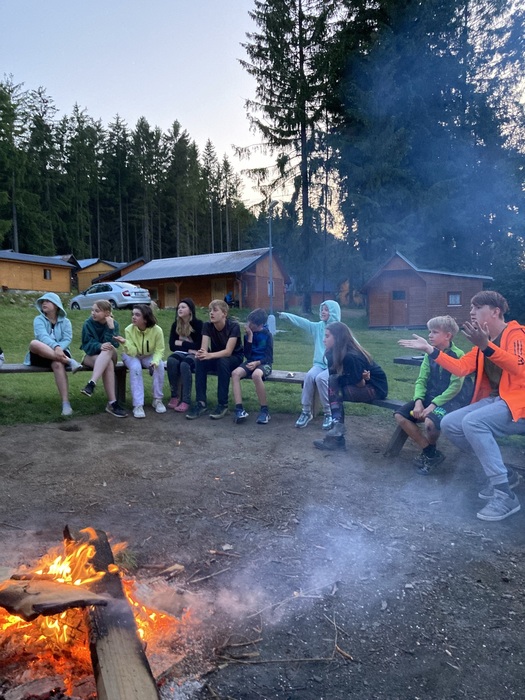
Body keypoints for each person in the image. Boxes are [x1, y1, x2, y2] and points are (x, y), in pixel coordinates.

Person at [399, 291, 525, 522]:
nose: (471, 312)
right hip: (498, 401)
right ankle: (505, 474)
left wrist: (486, 346)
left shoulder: (517, 334)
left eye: (477, 307)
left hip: (519, 403)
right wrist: (430, 350)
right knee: (450, 423)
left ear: (495, 312)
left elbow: (519, 368)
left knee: (473, 422)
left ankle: (504, 493)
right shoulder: (482, 343)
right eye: (471, 308)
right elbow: (460, 368)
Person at [394, 315, 471, 474]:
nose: (430, 335)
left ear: (447, 335)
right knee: (400, 415)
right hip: (431, 397)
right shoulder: (429, 354)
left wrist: (433, 405)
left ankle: (430, 454)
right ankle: (430, 452)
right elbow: (421, 379)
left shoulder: (458, 355)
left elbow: (455, 386)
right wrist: (418, 401)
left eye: (435, 332)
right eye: (429, 331)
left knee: (430, 423)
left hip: (453, 400)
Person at [313, 321, 388, 451]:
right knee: (333, 384)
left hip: (375, 388)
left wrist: (357, 378)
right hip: (358, 384)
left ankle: (337, 434)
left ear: (338, 338)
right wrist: (346, 378)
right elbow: (336, 377)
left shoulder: (351, 357)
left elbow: (359, 383)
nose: (324, 339)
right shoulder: (331, 354)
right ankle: (337, 432)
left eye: (327, 336)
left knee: (335, 391)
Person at [279, 300, 341, 429]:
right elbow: (304, 322)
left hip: (334, 366)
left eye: (326, 310)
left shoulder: (340, 329)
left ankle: (329, 413)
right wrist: (287, 316)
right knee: (309, 376)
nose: (323, 312)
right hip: (319, 364)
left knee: (321, 378)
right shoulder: (318, 327)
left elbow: (352, 343)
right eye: (322, 309)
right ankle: (306, 411)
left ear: (333, 312)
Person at [23, 292, 82, 416]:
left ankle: (66, 404)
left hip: (61, 352)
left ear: (56, 305)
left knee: (57, 364)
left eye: (47, 301)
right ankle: (69, 362)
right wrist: (56, 346)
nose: (44, 303)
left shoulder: (66, 322)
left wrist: (59, 348)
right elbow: (42, 336)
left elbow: (67, 338)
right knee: (34, 343)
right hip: (41, 354)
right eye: (42, 301)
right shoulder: (38, 320)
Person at [186, 299, 243, 420]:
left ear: (224, 313)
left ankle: (222, 404)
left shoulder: (234, 326)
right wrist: (201, 354)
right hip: (216, 357)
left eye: (215, 310)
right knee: (200, 360)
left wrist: (209, 355)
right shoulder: (207, 325)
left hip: (234, 358)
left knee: (223, 361)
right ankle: (201, 403)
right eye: (210, 310)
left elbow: (228, 352)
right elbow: (204, 349)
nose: (211, 313)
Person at [114, 304, 166, 419]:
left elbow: (159, 350)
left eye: (137, 315)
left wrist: (155, 362)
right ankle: (138, 405)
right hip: (131, 355)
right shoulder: (129, 329)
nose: (133, 317)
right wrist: (124, 342)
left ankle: (157, 400)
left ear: (145, 319)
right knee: (136, 368)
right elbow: (132, 352)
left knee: (159, 366)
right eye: (133, 314)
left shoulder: (157, 330)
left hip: (149, 355)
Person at [79, 300, 128, 418]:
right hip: (91, 356)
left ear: (107, 313)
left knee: (109, 348)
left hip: (109, 354)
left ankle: (91, 383)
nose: (93, 313)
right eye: (92, 310)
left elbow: (115, 345)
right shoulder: (87, 324)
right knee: (108, 364)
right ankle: (112, 404)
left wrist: (110, 328)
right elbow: (87, 345)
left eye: (97, 311)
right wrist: (99, 346)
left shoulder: (114, 324)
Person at [231, 308, 274, 425]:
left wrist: (257, 363)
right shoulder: (248, 334)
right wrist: (249, 337)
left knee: (256, 375)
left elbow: (269, 358)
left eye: (251, 323)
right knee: (235, 374)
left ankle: (264, 410)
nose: (248, 325)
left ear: (260, 325)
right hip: (250, 362)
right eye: (248, 322)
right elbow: (247, 355)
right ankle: (239, 409)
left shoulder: (267, 335)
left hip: (264, 364)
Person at [166, 298, 203, 413]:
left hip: (195, 355)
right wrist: (189, 346)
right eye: (179, 308)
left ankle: (186, 400)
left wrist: (181, 343)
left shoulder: (198, 324)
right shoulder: (175, 325)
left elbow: (198, 345)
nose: (180, 309)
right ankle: (174, 396)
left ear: (190, 310)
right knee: (171, 361)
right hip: (182, 353)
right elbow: (172, 346)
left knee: (185, 364)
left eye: (183, 307)